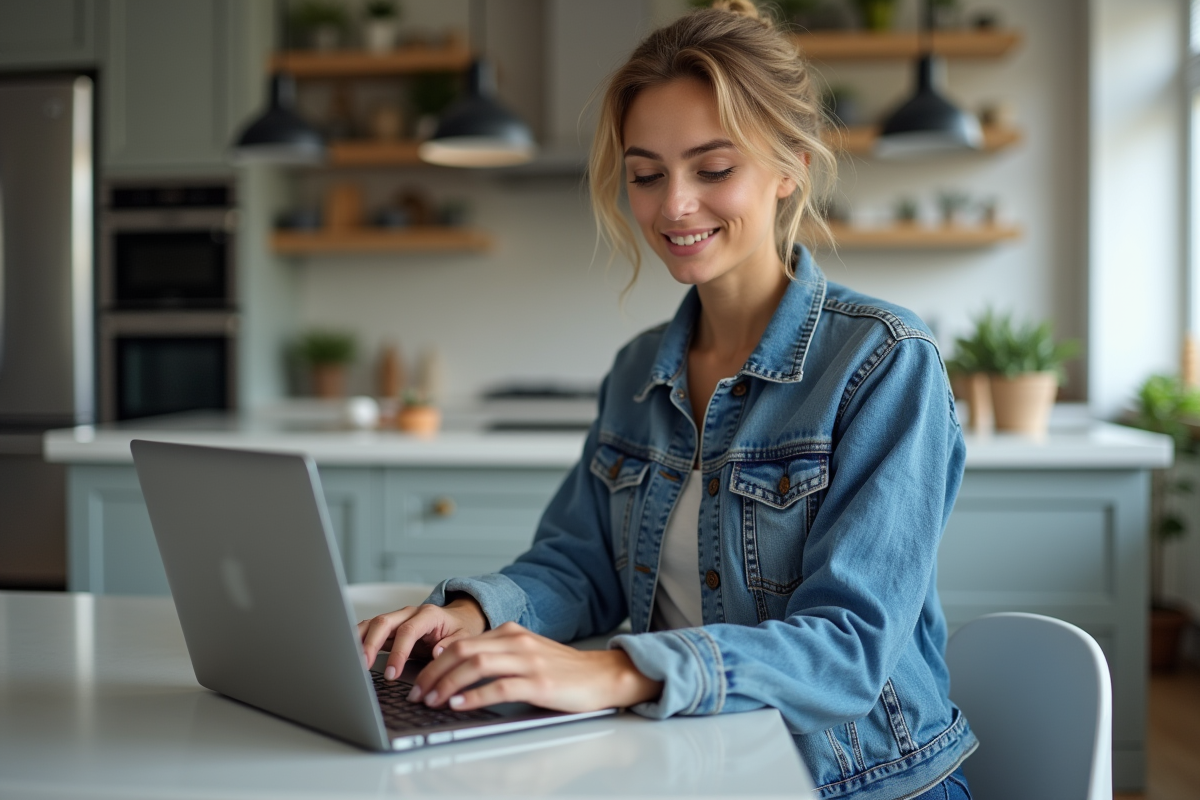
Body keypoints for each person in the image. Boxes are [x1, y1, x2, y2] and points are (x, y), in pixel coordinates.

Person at [359, 3, 976, 797]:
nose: (674, 205)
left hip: (860, 781)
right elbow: (580, 568)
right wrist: (474, 616)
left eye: (713, 169)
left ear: (789, 165)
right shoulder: (636, 371)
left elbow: (849, 647)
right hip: (694, 764)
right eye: (647, 174)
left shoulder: (884, 361)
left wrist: (616, 673)